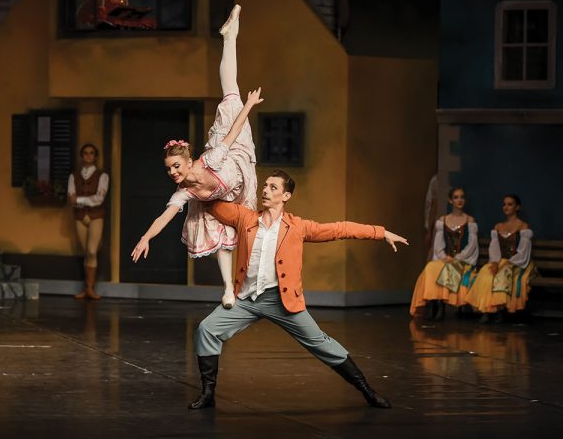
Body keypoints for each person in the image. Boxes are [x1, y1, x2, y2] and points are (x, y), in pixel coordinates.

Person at [186, 169, 408, 410]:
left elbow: (340, 229)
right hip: (246, 299)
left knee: (322, 344)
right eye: (265, 185)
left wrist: (380, 233)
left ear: (286, 196)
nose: (265, 190)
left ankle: (368, 392)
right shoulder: (245, 218)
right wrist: (188, 176)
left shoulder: (297, 227)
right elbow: (210, 202)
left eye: (273, 187)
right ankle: (208, 393)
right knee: (207, 329)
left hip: (282, 301)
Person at [132, 4, 260, 309]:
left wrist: (248, 106)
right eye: (169, 169)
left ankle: (229, 36)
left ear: (189, 162)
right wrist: (146, 238)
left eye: (176, 166)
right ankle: (228, 288)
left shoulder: (209, 161)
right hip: (225, 191)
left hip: (233, 155)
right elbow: (164, 217)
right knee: (219, 229)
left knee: (231, 93)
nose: (173, 173)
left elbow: (233, 133)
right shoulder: (185, 192)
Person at [466, 194, 538, 323]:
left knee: (503, 273)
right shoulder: (498, 227)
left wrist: (507, 263)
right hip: (500, 260)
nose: (506, 207)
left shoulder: (523, 227)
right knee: (486, 273)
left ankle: (499, 310)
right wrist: (495, 262)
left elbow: (523, 252)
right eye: (504, 204)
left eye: (510, 204)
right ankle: (487, 310)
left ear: (517, 207)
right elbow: (494, 248)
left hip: (516, 262)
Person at [409, 187, 479, 320]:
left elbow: (472, 245)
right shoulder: (443, 220)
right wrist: (443, 256)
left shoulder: (469, 221)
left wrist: (458, 257)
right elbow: (438, 244)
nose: (459, 200)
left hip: (463, 260)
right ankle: (433, 302)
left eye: (462, 197)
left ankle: (441, 306)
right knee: (431, 267)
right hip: (446, 258)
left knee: (447, 268)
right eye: (456, 197)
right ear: (450, 200)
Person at [68, 144, 109, 300]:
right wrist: (81, 201)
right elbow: (71, 199)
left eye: (91, 153)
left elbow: (99, 198)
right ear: (82, 156)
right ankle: (87, 288)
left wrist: (79, 200)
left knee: (92, 251)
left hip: (96, 215)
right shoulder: (74, 176)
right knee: (86, 252)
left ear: (95, 156)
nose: (88, 156)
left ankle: (90, 288)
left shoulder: (102, 176)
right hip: (80, 216)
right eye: (85, 153)